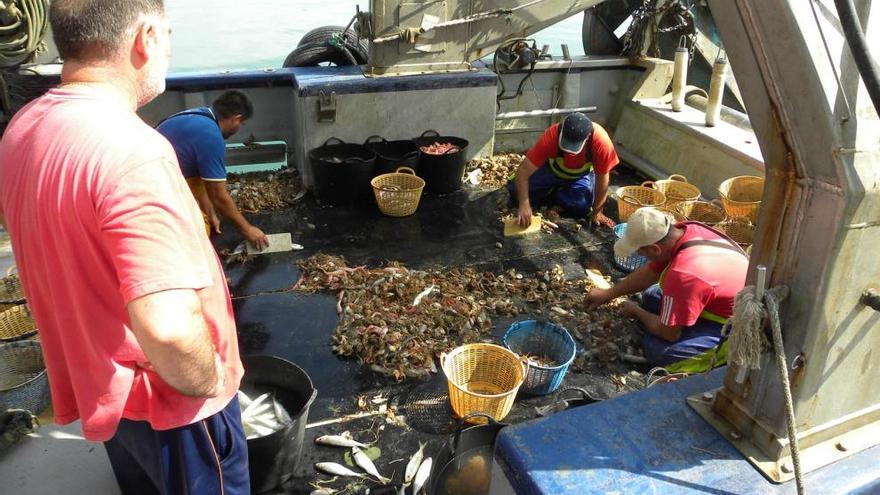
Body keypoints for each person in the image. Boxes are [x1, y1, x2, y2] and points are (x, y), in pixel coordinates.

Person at [0, 1, 249, 493]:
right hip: (174, 408)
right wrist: (211, 382)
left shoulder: (23, 129)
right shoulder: (134, 154)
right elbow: (171, 330)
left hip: (106, 389)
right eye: (170, 36)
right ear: (147, 37)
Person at [584, 208, 748, 370]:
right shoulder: (687, 229)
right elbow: (649, 272)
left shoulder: (684, 273)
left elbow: (669, 334)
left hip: (738, 323)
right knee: (651, 295)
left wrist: (637, 312)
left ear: (655, 249)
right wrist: (608, 294)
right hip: (716, 295)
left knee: (658, 350)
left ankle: (724, 352)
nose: (642, 256)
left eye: (641, 252)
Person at [157, 90, 269, 251]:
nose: (239, 127)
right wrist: (248, 230)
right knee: (199, 233)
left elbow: (198, 177)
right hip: (153, 191)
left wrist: (210, 213)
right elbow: (218, 196)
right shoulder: (211, 136)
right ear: (236, 119)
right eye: (242, 124)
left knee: (206, 222)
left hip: (153, 177)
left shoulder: (199, 115)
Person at [508, 112, 619, 228]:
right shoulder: (551, 135)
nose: (568, 152)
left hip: (579, 177)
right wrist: (524, 204)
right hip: (552, 171)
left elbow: (603, 182)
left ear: (587, 138)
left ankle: (558, 203)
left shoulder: (601, 142)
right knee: (515, 191)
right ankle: (555, 194)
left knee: (581, 206)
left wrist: (597, 212)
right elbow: (523, 172)